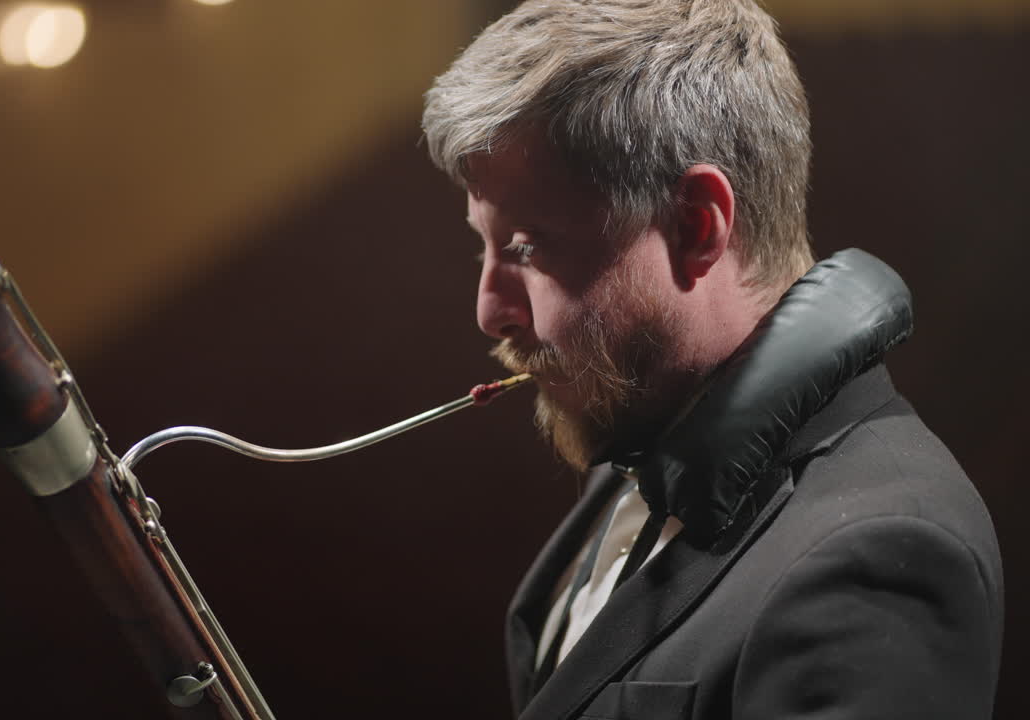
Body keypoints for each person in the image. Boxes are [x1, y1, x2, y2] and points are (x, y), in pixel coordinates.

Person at [421, 1, 1003, 718]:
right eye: (485, 243)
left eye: (525, 247)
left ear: (696, 226)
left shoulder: (880, 555)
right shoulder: (641, 429)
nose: (489, 309)